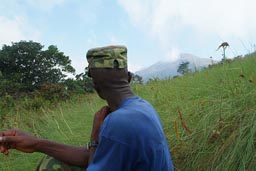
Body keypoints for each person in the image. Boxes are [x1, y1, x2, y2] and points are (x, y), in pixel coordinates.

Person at [0, 45, 174, 171]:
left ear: (96, 88)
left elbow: (95, 155)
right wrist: (36, 143)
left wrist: (94, 135)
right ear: (128, 77)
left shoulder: (118, 122)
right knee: (55, 159)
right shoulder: (142, 107)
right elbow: (97, 155)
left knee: (51, 167)